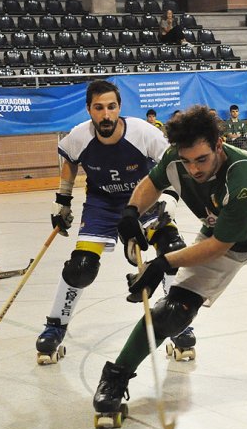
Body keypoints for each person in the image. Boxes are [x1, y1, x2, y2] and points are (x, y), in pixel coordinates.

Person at [92, 106, 247, 429]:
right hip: (218, 236)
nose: (194, 169)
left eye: (202, 159)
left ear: (219, 146)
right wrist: (130, 212)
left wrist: (163, 263)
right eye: (187, 161)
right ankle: (115, 376)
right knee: (171, 313)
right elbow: (152, 182)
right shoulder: (177, 158)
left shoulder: (244, 174)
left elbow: (220, 245)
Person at [36, 80, 189, 365]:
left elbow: (172, 163)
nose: (106, 115)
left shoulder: (143, 132)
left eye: (111, 107)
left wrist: (169, 197)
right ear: (89, 109)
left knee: (172, 249)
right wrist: (63, 200)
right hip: (102, 204)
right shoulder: (79, 136)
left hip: (143, 198)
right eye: (99, 108)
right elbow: (69, 159)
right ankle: (55, 326)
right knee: (81, 267)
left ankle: (178, 321)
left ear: (119, 107)